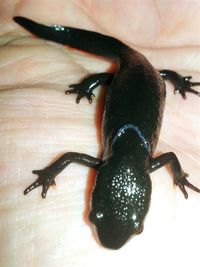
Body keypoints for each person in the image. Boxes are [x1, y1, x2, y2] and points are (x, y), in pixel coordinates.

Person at [0, 1, 199, 266]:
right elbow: (172, 158)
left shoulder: (148, 164)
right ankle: (101, 69)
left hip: (147, 76)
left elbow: (69, 156)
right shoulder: (127, 164)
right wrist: (180, 177)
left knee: (151, 74)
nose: (95, 220)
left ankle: (158, 76)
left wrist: (49, 174)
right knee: (136, 74)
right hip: (138, 74)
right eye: (137, 225)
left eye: (95, 216)